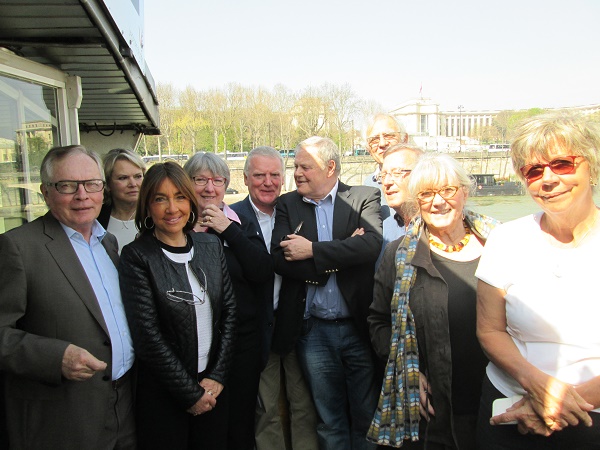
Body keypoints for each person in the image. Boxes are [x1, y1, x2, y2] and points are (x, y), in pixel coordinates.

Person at [475, 112, 600, 449]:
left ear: (592, 165)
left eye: (562, 164)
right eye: (533, 170)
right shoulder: (505, 239)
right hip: (508, 405)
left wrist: (557, 403)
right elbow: (489, 330)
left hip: (590, 413)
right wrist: (537, 385)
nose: (547, 179)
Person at [0, 145, 136, 449]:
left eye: (91, 184)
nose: (82, 195)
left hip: (124, 406)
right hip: (64, 417)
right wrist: (54, 357)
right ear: (45, 192)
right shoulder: (17, 248)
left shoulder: (109, 243)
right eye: (67, 185)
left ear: (103, 189)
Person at [368, 152, 499, 449]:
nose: (438, 202)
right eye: (426, 194)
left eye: (448, 190)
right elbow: (377, 321)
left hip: (497, 400)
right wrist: (408, 372)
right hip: (432, 412)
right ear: (417, 201)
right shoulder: (399, 255)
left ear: (465, 192)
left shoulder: (501, 245)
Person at [272, 136, 383, 450]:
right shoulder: (288, 204)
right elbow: (280, 260)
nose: (297, 173)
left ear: (330, 167)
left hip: (358, 328)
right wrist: (343, 253)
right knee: (329, 419)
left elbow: (371, 246)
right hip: (315, 332)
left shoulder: (363, 197)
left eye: (305, 166)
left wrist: (311, 250)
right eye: (296, 166)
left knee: (365, 416)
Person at [119, 161, 236, 449]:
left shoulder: (211, 247)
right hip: (165, 393)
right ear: (147, 206)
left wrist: (217, 376)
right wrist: (189, 394)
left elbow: (230, 312)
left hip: (212, 387)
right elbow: (147, 335)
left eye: (180, 197)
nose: (172, 208)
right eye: (160, 198)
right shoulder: (137, 256)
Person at [230, 146, 318, 450]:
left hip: (296, 324)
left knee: (304, 404)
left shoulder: (299, 211)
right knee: (265, 408)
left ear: (284, 179)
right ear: (244, 179)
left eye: (274, 175)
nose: (267, 182)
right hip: (255, 329)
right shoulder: (232, 219)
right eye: (259, 175)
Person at [183, 152, 273, 450]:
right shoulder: (176, 227)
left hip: (240, 343)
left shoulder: (241, 223)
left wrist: (228, 229)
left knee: (240, 422)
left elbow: (261, 271)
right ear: (187, 184)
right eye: (200, 180)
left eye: (218, 180)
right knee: (205, 420)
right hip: (197, 344)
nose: (210, 188)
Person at [376, 143, 423, 267]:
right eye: (383, 175)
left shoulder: (439, 227)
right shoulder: (384, 229)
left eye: (397, 173)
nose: (386, 182)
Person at [98, 148, 146, 252]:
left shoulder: (155, 216)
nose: (133, 184)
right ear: (107, 184)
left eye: (138, 176)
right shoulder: (96, 219)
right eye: (123, 178)